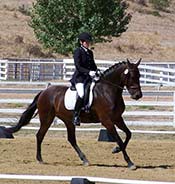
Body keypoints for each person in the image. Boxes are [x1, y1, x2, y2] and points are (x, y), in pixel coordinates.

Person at [70, 32, 98, 126]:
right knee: (81, 94)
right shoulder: (78, 51)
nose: (88, 43)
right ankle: (76, 115)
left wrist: (97, 71)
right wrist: (88, 72)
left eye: (88, 42)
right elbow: (78, 66)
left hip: (89, 78)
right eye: (86, 42)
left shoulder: (90, 52)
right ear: (81, 42)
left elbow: (93, 65)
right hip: (80, 78)